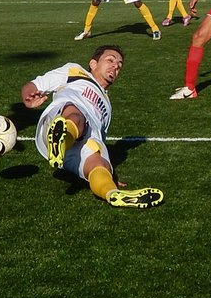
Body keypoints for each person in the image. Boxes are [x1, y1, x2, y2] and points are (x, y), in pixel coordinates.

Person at [21, 45, 164, 209]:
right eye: (110, 60)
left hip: (83, 140)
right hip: (62, 117)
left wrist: (110, 174)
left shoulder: (107, 106)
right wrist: (28, 96)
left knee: (100, 164)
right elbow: (33, 85)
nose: (115, 67)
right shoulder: (75, 72)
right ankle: (61, 140)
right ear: (93, 64)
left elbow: (99, 137)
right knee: (77, 116)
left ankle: (111, 192)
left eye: (119, 66)